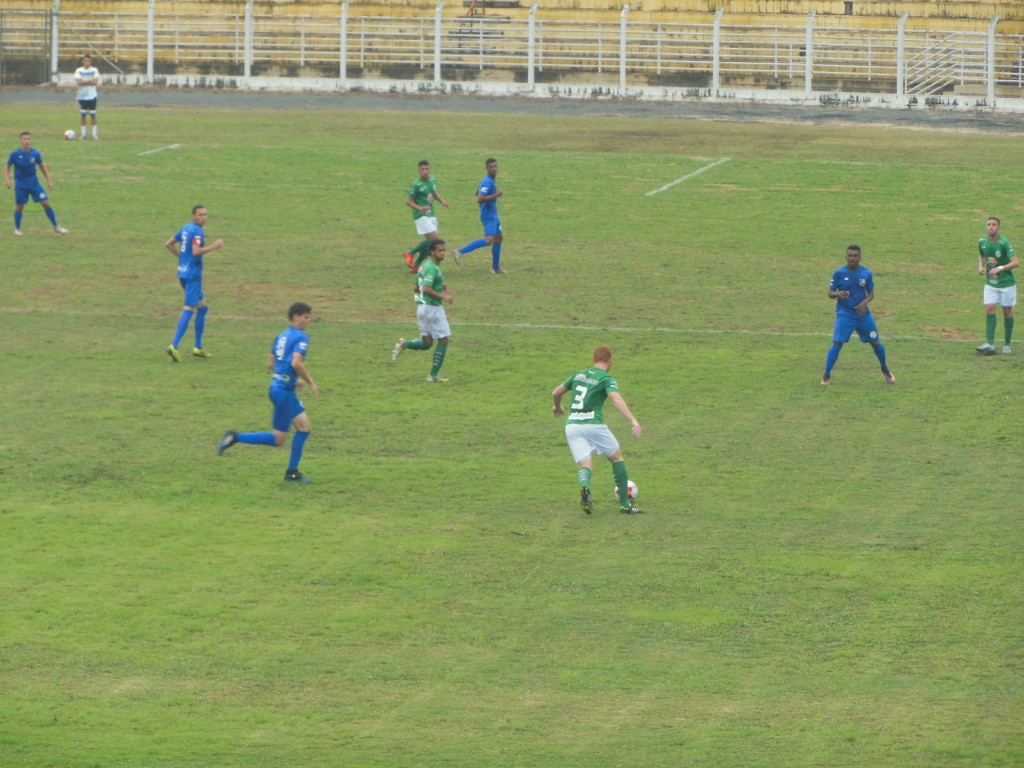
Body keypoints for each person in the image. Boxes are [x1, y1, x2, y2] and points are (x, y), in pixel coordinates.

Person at [217, 302, 320, 483]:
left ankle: (236, 438)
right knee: (292, 433)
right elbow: (296, 363)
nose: (308, 321)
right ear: (296, 317)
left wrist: (291, 379)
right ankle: (291, 472)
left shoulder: (281, 336)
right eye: (306, 317)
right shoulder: (301, 337)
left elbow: (271, 363)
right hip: (284, 393)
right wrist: (310, 382)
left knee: (294, 432)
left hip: (277, 388)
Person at [551, 345, 644, 515]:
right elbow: (615, 399)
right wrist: (633, 420)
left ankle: (585, 487)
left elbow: (556, 393)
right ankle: (625, 504)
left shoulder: (579, 374)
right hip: (593, 424)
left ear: (594, 360)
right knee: (617, 458)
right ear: (610, 360)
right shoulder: (606, 378)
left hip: (572, 426)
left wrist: (558, 407)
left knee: (585, 464)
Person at [821, 244, 895, 385]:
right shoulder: (838, 273)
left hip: (863, 314)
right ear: (846, 257)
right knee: (837, 343)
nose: (852, 258)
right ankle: (826, 375)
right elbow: (830, 293)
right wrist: (838, 293)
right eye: (850, 255)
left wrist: (864, 302)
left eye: (855, 256)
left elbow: (871, 294)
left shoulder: (866, 273)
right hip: (845, 314)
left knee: (875, 342)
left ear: (860, 257)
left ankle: (885, 369)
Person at [164, 204, 225, 362]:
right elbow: (196, 251)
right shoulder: (197, 231)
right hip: (193, 275)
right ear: (193, 216)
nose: (203, 218)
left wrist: (182, 258)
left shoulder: (185, 228)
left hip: (182, 273)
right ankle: (174, 345)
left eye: (205, 215)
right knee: (189, 308)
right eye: (200, 215)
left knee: (203, 308)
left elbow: (169, 244)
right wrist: (214, 246)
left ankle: (198, 347)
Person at [391, 239, 453, 382]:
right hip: (433, 309)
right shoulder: (432, 268)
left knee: (427, 343)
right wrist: (442, 296)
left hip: (422, 308)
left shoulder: (424, 267)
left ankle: (404, 345)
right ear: (431, 252)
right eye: (439, 250)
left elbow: (415, 288)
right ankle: (433, 376)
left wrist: (438, 287)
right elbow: (425, 289)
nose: (443, 253)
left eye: (444, 250)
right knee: (443, 340)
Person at [4, 131, 69, 237]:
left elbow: (42, 166)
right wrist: (7, 179)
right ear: (20, 140)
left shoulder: (35, 154)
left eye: (28, 139)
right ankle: (17, 229)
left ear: (31, 140)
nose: (26, 141)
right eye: (24, 139)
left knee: (46, 203)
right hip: (21, 185)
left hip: (34, 184)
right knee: (20, 206)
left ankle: (56, 227)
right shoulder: (15, 154)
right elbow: (7, 166)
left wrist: (48, 180)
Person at [453, 157, 507, 274]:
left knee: (499, 238)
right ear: (486, 168)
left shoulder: (487, 180)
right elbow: (479, 198)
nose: (494, 169)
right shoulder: (488, 181)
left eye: (495, 166)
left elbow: (477, 192)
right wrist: (496, 194)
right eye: (491, 167)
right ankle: (460, 252)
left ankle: (496, 267)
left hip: (493, 213)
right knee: (489, 240)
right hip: (488, 215)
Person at [976, 216, 1018, 355]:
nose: (991, 227)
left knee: (1007, 312)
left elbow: (1015, 262)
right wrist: (981, 267)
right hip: (991, 283)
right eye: (988, 224)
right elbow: (982, 255)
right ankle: (990, 344)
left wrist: (999, 268)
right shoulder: (982, 241)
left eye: (994, 224)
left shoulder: (1004, 243)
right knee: (990, 308)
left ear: (998, 227)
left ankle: (1007, 344)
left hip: (1006, 284)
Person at [403, 160, 449, 273]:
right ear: (419, 171)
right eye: (422, 169)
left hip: (431, 214)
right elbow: (408, 201)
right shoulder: (416, 184)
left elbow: (433, 193)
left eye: (427, 169)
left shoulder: (432, 179)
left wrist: (441, 200)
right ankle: (411, 252)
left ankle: (416, 266)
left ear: (430, 169)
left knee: (430, 244)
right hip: (420, 215)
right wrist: (420, 208)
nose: (425, 171)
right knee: (435, 240)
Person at [74, 55, 100, 140]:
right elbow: (79, 82)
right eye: (85, 61)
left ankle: (94, 135)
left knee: (93, 115)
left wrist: (84, 81)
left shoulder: (94, 70)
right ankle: (83, 134)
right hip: (82, 95)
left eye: (88, 61)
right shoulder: (79, 70)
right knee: (83, 115)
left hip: (92, 95)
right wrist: (90, 81)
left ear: (90, 61)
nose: (87, 62)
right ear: (83, 61)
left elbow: (95, 82)